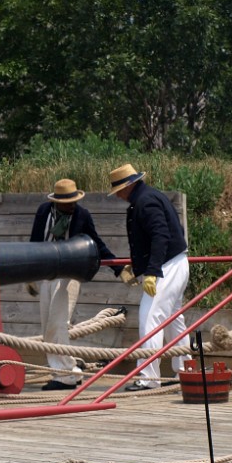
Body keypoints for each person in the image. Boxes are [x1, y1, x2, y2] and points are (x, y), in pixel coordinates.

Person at [29, 178, 123, 390]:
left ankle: (65, 376)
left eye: (74, 200)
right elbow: (35, 241)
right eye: (68, 202)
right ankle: (65, 370)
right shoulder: (44, 212)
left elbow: (97, 243)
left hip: (69, 273)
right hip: (46, 271)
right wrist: (30, 275)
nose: (72, 205)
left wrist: (118, 268)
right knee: (47, 326)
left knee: (58, 321)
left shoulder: (81, 215)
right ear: (57, 201)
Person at [109, 164, 190, 390]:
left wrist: (152, 271)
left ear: (128, 186)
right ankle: (185, 370)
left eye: (118, 190)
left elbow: (160, 236)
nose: (118, 195)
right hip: (174, 263)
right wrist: (138, 269)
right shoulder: (148, 197)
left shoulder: (145, 202)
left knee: (150, 319)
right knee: (174, 321)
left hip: (166, 267)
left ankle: (149, 377)